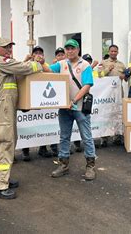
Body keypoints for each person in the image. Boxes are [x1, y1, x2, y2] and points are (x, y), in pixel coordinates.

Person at [0, 38, 48, 199]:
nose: (9, 50)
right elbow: (22, 68)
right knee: (4, 144)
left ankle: (3, 179)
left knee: (9, 142)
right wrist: (37, 64)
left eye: (10, 47)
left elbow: (16, 71)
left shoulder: (3, 62)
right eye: (6, 47)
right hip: (2, 108)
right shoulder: (0, 61)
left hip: (6, 108)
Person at [48, 39, 96, 181]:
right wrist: (40, 62)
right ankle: (63, 164)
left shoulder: (85, 65)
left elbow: (87, 86)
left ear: (78, 50)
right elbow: (48, 70)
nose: (69, 51)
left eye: (72, 48)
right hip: (64, 108)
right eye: (67, 49)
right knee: (64, 136)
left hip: (80, 107)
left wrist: (74, 101)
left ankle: (90, 166)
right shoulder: (61, 64)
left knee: (86, 137)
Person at [21, 45, 57, 160]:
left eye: (40, 53)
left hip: (41, 99)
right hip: (28, 98)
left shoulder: (44, 64)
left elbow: (51, 73)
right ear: (32, 54)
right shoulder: (27, 63)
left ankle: (43, 148)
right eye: (35, 53)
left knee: (42, 124)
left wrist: (41, 63)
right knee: (26, 125)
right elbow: (19, 72)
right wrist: (27, 60)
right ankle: (25, 150)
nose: (38, 55)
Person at [100, 44, 126, 146]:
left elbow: (125, 77)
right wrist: (108, 69)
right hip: (107, 94)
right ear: (109, 52)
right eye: (112, 51)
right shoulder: (104, 63)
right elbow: (99, 75)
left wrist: (123, 76)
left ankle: (117, 136)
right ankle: (104, 138)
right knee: (105, 115)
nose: (113, 53)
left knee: (118, 114)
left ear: (117, 52)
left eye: (115, 51)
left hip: (119, 92)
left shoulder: (121, 64)